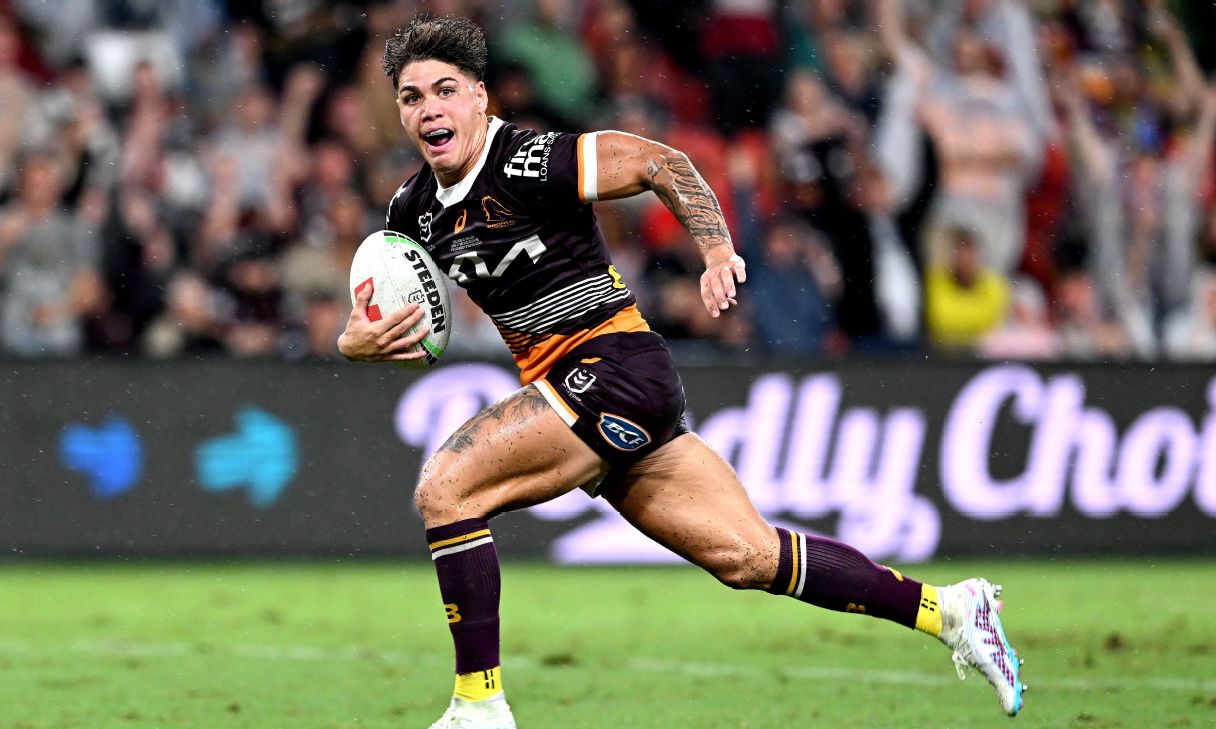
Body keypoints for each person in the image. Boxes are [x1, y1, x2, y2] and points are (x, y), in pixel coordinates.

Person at [337, 16, 1025, 729]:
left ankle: (479, 707)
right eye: (412, 97)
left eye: (445, 91)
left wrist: (717, 249)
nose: (429, 110)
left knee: (446, 489)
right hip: (587, 390)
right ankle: (949, 610)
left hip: (610, 367)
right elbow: (400, 328)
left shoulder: (531, 159)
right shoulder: (410, 211)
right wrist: (357, 342)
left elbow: (660, 161)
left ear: (480, 97)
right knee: (750, 556)